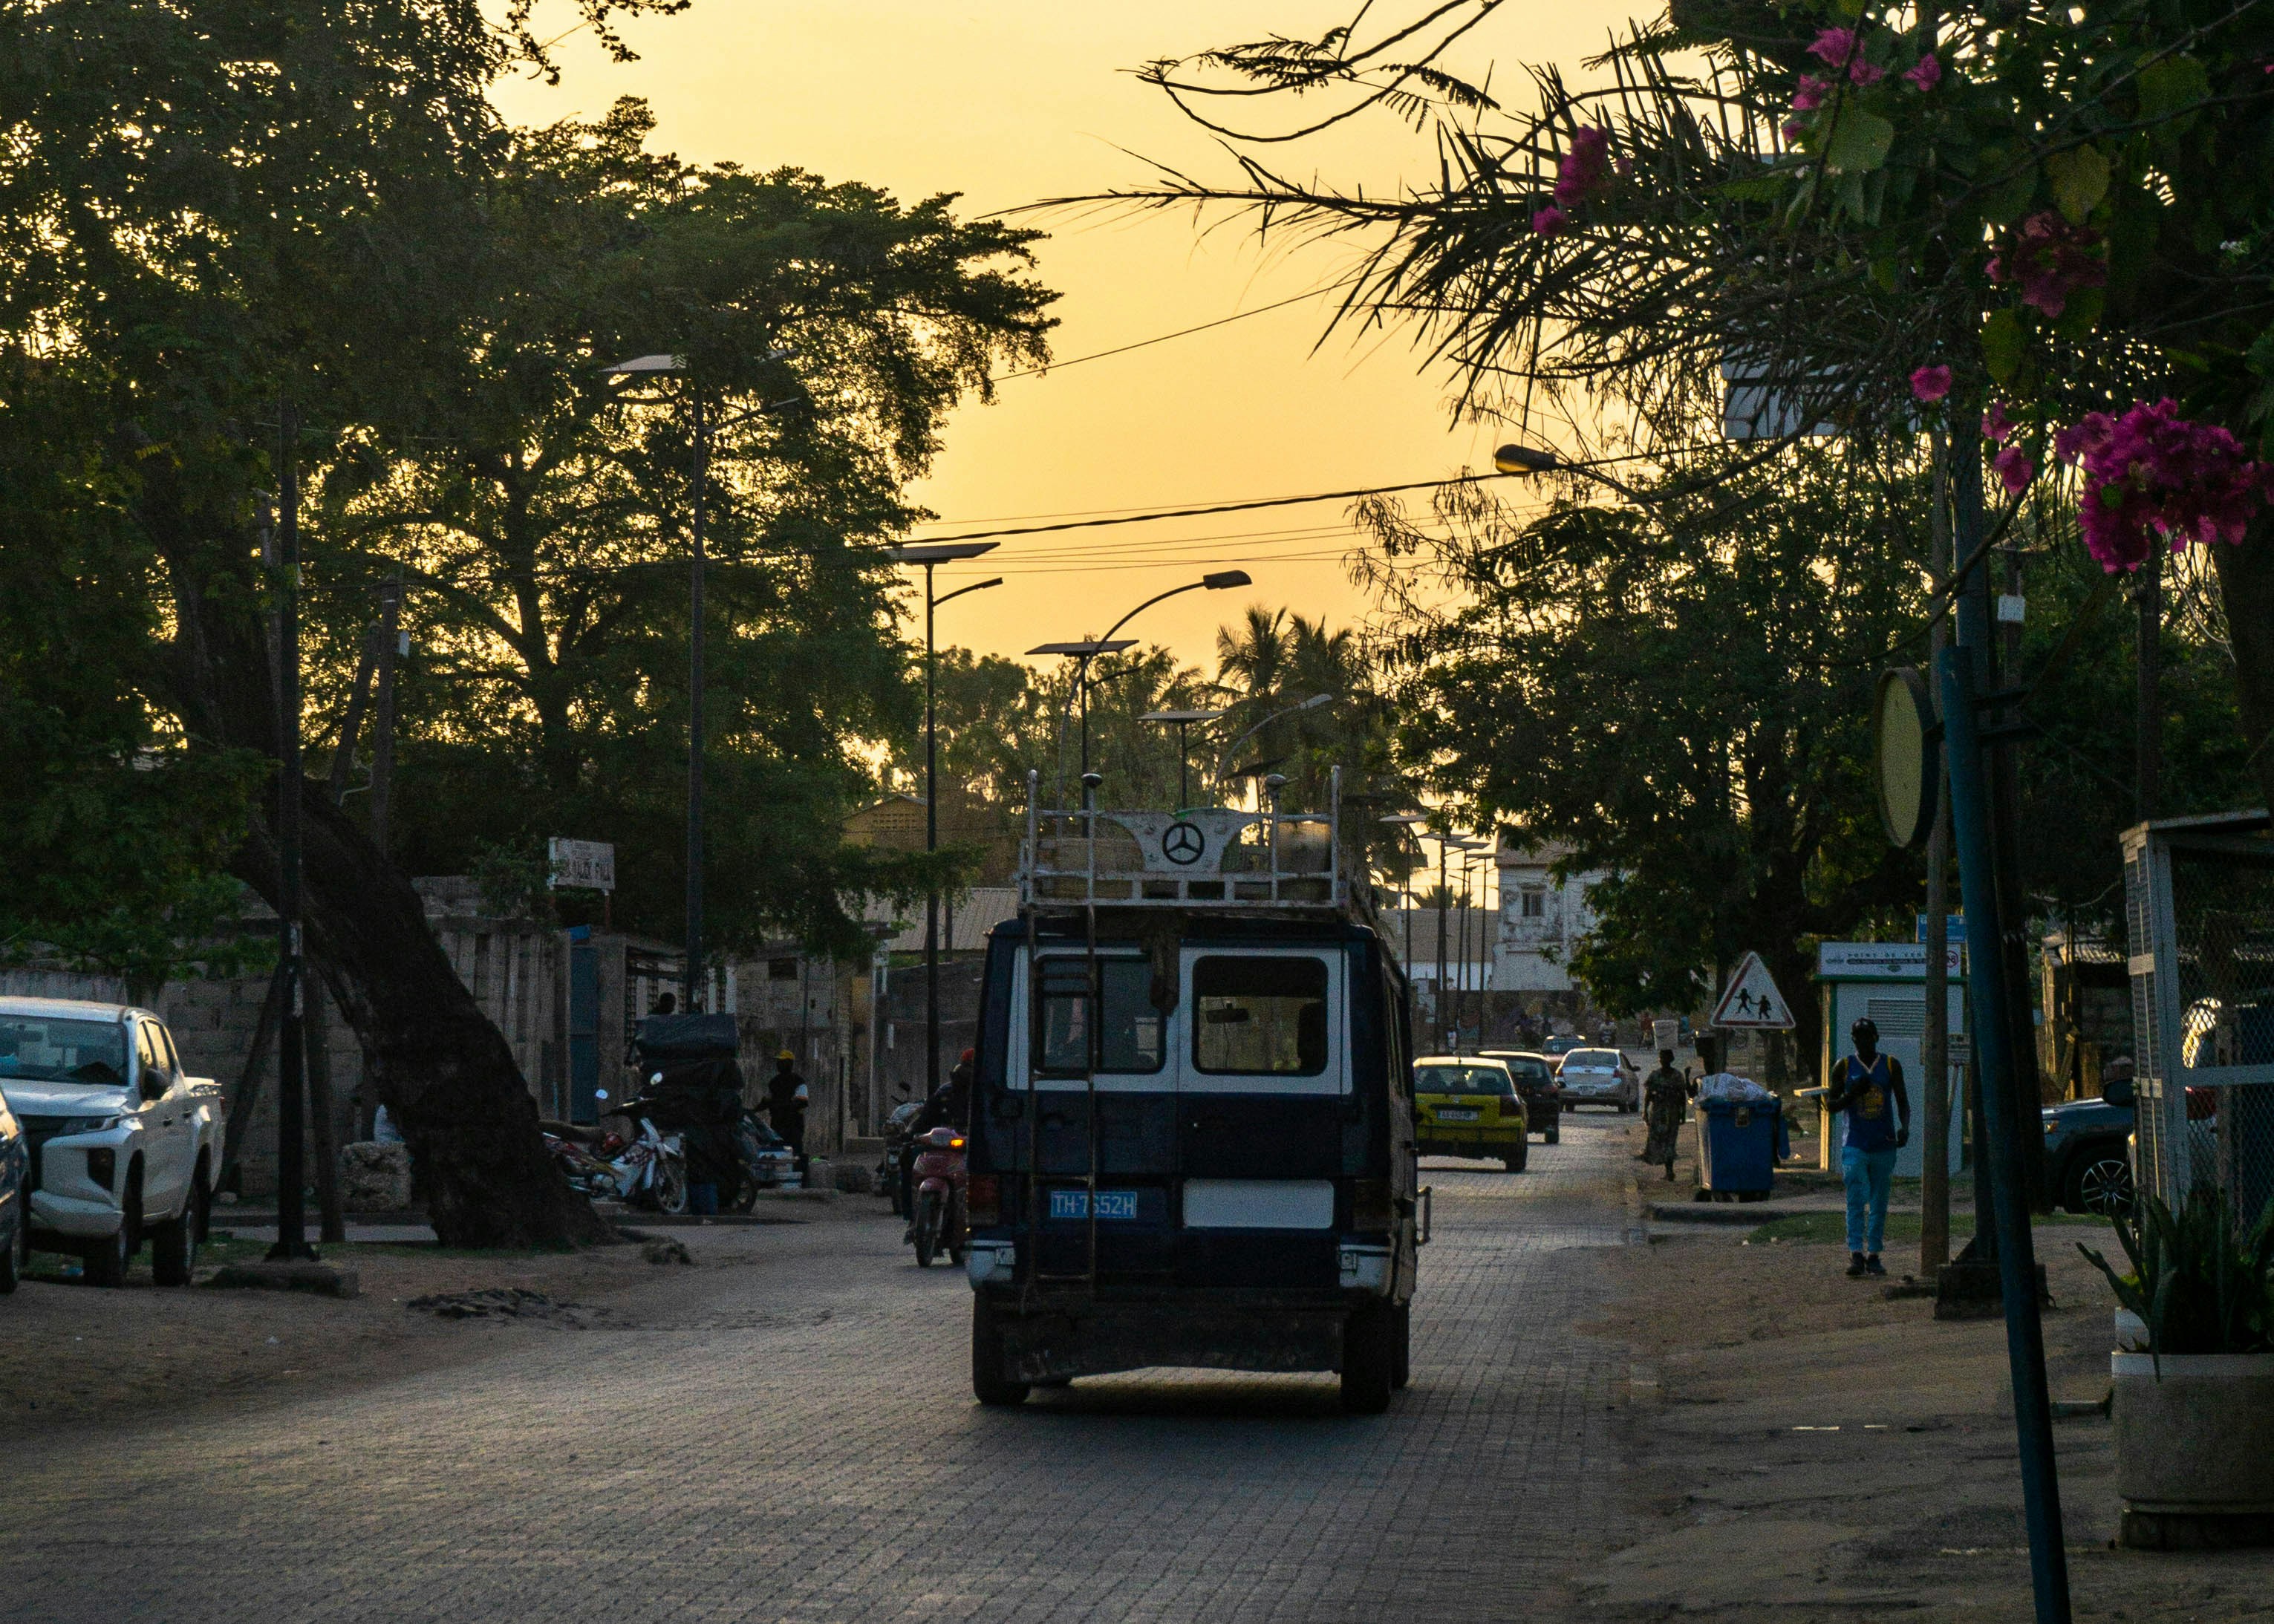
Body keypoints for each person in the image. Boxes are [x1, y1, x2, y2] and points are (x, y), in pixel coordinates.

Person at [1827, 1016, 1910, 1277]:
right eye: (1857, 1038)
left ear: (1876, 1037)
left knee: (1879, 1200)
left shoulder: (1890, 1064)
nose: (1862, 1042)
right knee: (1856, 1195)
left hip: (1884, 1144)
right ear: (1853, 1040)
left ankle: (1874, 1253)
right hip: (1855, 1144)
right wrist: (1852, 1094)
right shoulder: (1843, 1066)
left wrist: (1904, 1128)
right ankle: (1855, 1253)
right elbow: (1831, 1105)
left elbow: (1902, 1102)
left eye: (1866, 1036)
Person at [1639, 1049, 1687, 1180]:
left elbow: (1682, 1096)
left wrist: (1683, 1114)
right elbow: (1648, 1095)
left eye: (1665, 1058)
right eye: (1661, 1058)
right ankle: (1663, 1166)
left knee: (1670, 1142)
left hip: (1672, 1112)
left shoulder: (1677, 1076)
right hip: (1658, 1112)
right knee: (1657, 1140)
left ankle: (1669, 1170)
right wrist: (1645, 1112)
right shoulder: (1655, 1075)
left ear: (1671, 1059)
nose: (1663, 1061)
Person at [766, 1049, 807, 1177]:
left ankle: (796, 1179)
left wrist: (782, 1107)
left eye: (782, 1062)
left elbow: (802, 1103)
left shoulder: (799, 1082)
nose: (778, 1065)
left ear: (789, 1064)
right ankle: (778, 1179)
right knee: (778, 1154)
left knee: (795, 1154)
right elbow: (768, 1101)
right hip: (778, 1125)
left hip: (793, 1125)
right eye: (778, 1062)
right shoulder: (774, 1082)